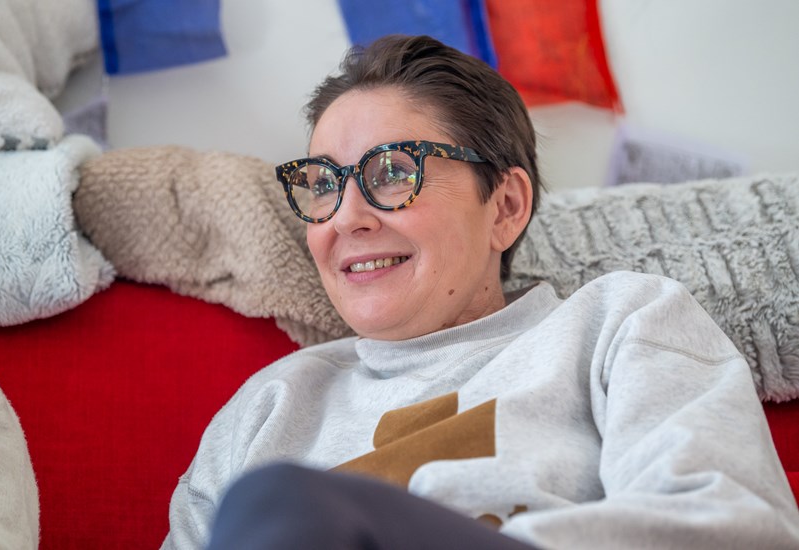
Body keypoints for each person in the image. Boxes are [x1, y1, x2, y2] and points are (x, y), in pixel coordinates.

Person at [162, 35, 799, 549]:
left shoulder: (622, 324)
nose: (345, 218)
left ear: (505, 207)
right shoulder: (267, 407)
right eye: (323, 184)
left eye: (394, 172)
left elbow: (732, 529)